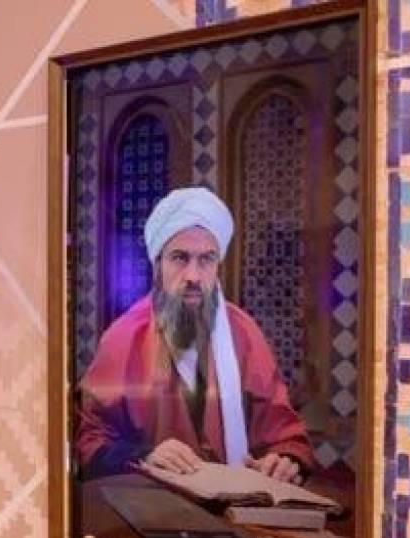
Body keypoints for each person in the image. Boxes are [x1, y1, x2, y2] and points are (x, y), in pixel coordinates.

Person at [75, 187, 315, 484]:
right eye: (179, 258)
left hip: (240, 504)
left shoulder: (244, 333)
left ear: (218, 265)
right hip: (152, 503)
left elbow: (284, 434)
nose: (193, 276)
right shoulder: (123, 337)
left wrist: (285, 460)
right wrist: (144, 454)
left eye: (206, 259)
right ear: (158, 265)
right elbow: (87, 441)